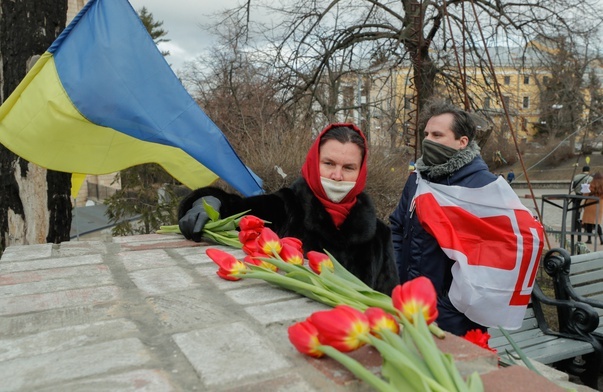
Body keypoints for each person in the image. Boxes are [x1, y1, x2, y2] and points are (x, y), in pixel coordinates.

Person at [178, 123, 399, 295]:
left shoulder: (379, 234)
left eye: (348, 167)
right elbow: (233, 210)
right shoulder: (284, 207)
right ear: (314, 163)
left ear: (360, 173)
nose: (337, 176)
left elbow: (385, 299)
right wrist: (206, 202)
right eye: (329, 163)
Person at [389, 100, 544, 336]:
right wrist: (397, 280)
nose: (428, 140)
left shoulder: (485, 188)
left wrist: (449, 305)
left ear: (462, 142)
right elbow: (398, 227)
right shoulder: (418, 180)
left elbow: (519, 244)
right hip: (409, 303)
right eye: (427, 134)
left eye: (438, 135)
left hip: (452, 319)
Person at [571, 165, 592, 242]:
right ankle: (585, 228)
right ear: (589, 170)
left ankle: (575, 227)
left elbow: (572, 186)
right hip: (585, 198)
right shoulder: (590, 178)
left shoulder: (576, 176)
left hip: (577, 196)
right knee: (587, 214)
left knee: (576, 213)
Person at [582, 172, 603, 245]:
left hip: (590, 203)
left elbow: (586, 193)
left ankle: (589, 239)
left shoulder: (592, 184)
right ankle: (601, 239)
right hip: (600, 204)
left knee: (588, 222)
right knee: (596, 222)